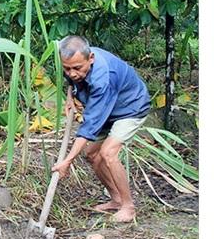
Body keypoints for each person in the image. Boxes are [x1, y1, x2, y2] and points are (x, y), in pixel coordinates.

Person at [52, 35, 150, 222]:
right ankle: (116, 200)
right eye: (67, 68)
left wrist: (68, 160)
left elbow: (90, 125)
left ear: (91, 59)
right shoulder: (76, 62)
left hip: (130, 107)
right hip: (108, 107)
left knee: (108, 153)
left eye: (77, 68)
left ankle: (128, 207)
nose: (72, 73)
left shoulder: (102, 78)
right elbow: (73, 80)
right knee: (91, 154)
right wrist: (70, 95)